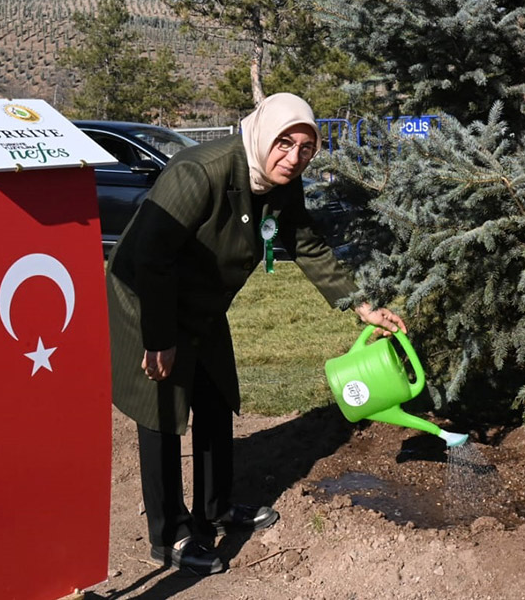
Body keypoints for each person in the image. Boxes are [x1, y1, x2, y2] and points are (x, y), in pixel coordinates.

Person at [106, 93, 406, 575]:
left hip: (201, 299)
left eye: (306, 148)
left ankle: (217, 507)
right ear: (264, 132)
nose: (293, 157)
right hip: (146, 296)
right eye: (285, 143)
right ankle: (169, 535)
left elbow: (304, 241)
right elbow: (151, 257)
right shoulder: (199, 172)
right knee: (161, 409)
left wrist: (361, 305)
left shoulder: (282, 183)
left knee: (215, 395)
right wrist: (159, 338)